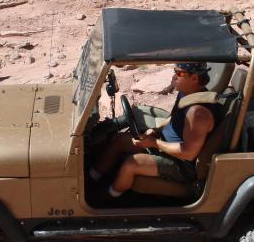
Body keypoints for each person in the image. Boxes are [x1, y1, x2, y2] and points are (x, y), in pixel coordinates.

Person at [90, 62, 220, 200]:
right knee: (119, 140)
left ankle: (108, 198)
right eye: (174, 71)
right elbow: (173, 119)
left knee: (131, 164)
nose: (174, 76)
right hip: (165, 145)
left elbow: (188, 153)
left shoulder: (198, 113)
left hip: (182, 164)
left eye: (179, 73)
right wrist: (156, 130)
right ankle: (91, 178)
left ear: (194, 78)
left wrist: (154, 143)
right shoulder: (187, 94)